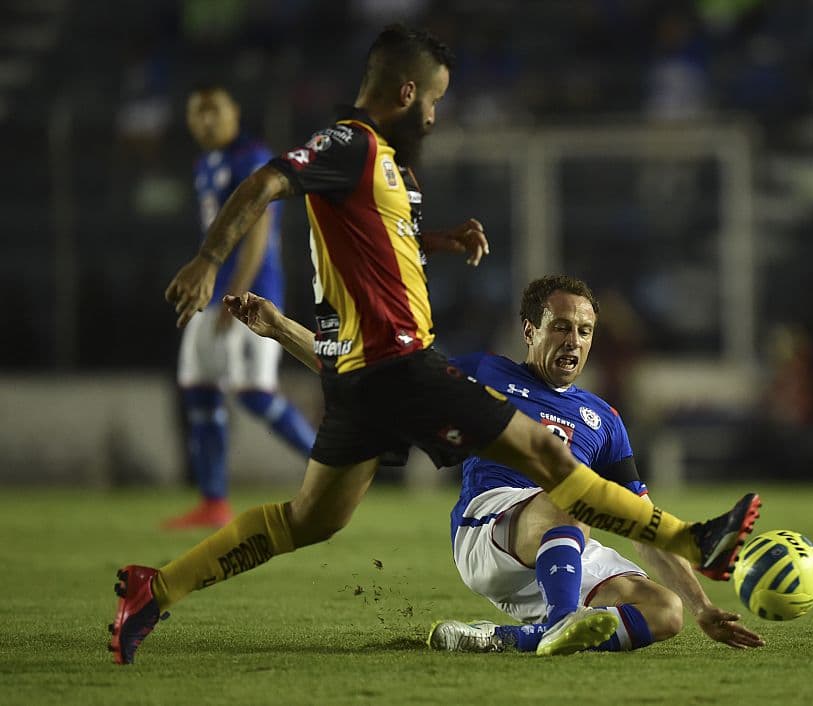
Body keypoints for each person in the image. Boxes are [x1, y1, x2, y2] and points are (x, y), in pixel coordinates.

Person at [109, 24, 760, 665]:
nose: (435, 114)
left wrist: (439, 240)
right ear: (406, 92)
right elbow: (268, 180)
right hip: (397, 363)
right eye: (435, 101)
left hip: (358, 375)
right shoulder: (352, 144)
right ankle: (695, 540)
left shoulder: (395, 172)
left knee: (306, 521)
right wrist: (208, 258)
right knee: (549, 457)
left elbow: (377, 243)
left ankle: (156, 588)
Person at [224, 276, 764, 655]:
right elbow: (369, 374)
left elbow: (641, 525)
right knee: (571, 494)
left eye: (584, 331)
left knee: (661, 612)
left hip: (561, 541)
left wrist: (701, 607)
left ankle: (512, 639)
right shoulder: (484, 372)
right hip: (489, 530)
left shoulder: (604, 420)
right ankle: (560, 623)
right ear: (530, 330)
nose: (573, 340)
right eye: (560, 326)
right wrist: (280, 329)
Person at [165, 84, 317, 529]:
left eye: (214, 110)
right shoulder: (204, 163)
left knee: (253, 394)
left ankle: (337, 467)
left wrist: (239, 295)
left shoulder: (251, 155)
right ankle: (213, 501)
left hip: (245, 294)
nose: (205, 120)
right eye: (197, 112)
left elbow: (258, 232)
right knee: (199, 389)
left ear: (234, 113)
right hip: (210, 295)